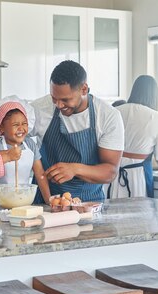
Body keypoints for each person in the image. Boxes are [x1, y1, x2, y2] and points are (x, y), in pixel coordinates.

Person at [30, 60, 124, 202]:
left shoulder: (107, 116)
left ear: (84, 89)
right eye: (54, 99)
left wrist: (75, 169)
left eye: (65, 100)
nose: (59, 105)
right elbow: (6, 133)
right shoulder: (40, 109)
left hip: (89, 203)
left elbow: (110, 172)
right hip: (45, 203)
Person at [107, 75, 158, 199]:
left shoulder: (115, 111)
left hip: (112, 175)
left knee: (113, 215)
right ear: (154, 95)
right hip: (139, 177)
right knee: (140, 215)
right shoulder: (157, 118)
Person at [0, 96, 51, 204]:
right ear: (1, 128)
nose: (21, 128)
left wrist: (49, 200)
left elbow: (40, 174)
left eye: (24, 124)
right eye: (15, 125)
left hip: (24, 201)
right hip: (1, 202)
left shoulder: (30, 145)